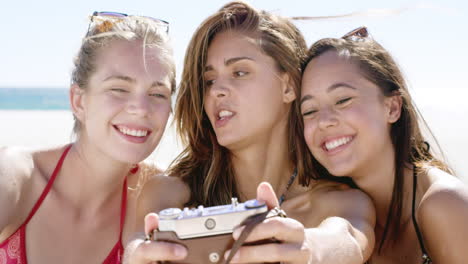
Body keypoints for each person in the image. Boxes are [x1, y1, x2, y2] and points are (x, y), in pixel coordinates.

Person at [126, 2, 376, 263]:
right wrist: (137, 256)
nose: (216, 91)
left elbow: (347, 238)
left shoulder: (342, 203)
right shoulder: (172, 194)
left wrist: (310, 249)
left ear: (288, 86)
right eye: (209, 80)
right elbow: (137, 243)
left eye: (239, 72)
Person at [0, 11, 178, 263]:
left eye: (158, 93)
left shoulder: (158, 193)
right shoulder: (16, 175)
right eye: (119, 88)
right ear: (79, 101)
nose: (141, 108)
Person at [300, 26, 468, 263]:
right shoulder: (328, 214)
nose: (324, 121)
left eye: (343, 100)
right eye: (309, 111)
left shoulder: (443, 203)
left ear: (392, 108)